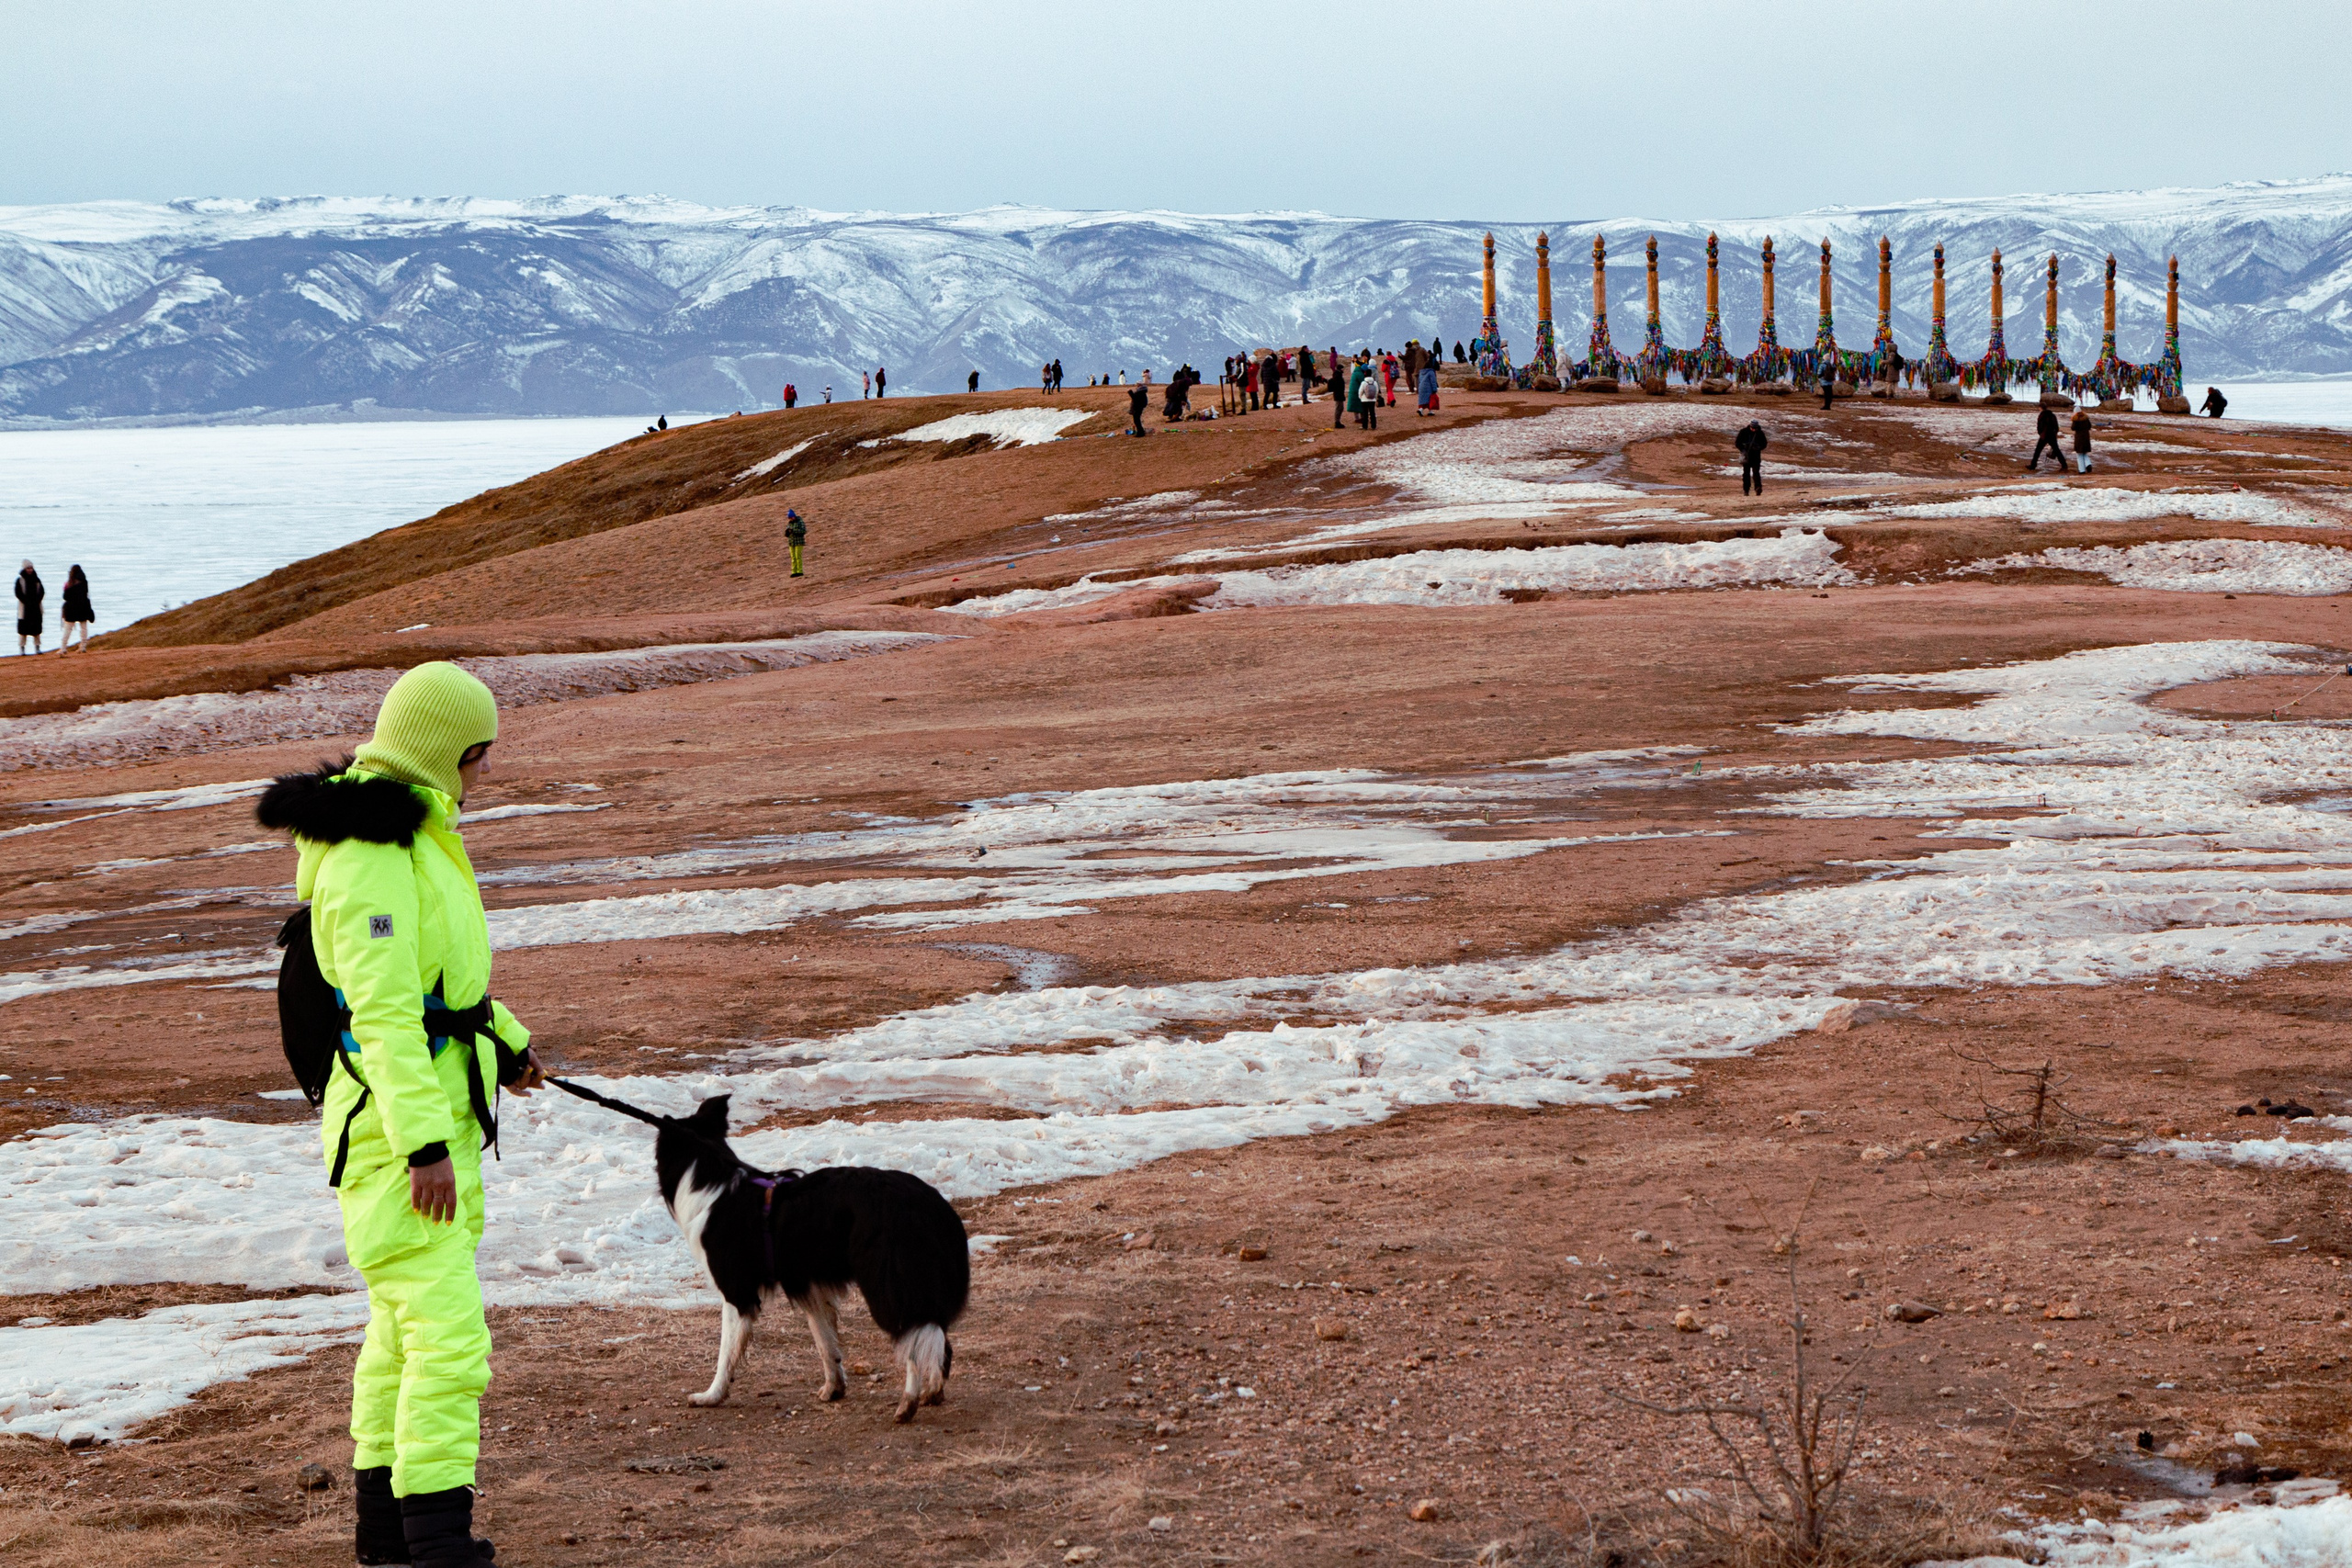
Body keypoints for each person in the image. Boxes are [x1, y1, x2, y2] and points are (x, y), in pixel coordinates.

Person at [254, 662, 546, 1568]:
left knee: (398, 1340)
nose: (482, 773)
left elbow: (442, 993)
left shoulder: (414, 836)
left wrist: (508, 1043)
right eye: (476, 756)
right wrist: (423, 1145)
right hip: (395, 1141)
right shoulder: (374, 858)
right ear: (437, 748)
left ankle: (388, 1540)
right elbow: (381, 1016)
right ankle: (439, 1548)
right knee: (451, 1344)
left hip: (422, 1126)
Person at [59, 565, 93, 653]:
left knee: (68, 628)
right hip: (83, 607)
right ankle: (83, 646)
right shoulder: (84, 582)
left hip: (71, 608)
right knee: (84, 628)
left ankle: (63, 648)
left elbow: (65, 596)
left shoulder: (70, 583)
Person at [13, 561, 41, 655]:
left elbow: (41, 592)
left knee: (36, 630)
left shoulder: (37, 579)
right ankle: (22, 648)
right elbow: (18, 593)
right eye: (28, 568)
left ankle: (37, 647)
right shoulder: (20, 580)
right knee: (23, 630)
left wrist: (37, 601)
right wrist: (26, 601)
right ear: (24, 569)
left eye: (31, 568)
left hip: (36, 608)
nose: (30, 570)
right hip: (24, 608)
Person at [1735, 421, 1768, 494]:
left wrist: (1758, 447)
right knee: (1746, 473)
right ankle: (1746, 490)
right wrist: (1743, 449)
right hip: (1746, 456)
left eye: (1755, 428)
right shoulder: (1743, 432)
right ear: (1750, 426)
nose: (1754, 430)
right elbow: (1737, 443)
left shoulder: (1760, 433)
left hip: (1756, 456)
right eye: (1752, 428)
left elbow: (1764, 444)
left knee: (1756, 473)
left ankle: (1758, 488)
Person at [2027, 404, 2063, 470]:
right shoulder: (2052, 415)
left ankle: (2033, 465)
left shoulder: (2042, 415)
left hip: (2044, 435)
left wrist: (2040, 433)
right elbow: (2056, 426)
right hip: (2052, 435)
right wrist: (2055, 433)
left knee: (2038, 451)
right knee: (2056, 450)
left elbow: (2039, 426)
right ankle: (2064, 465)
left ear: (2041, 408)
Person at [786, 508, 808, 577]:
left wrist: (793, 531)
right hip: (791, 542)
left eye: (790, 517)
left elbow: (803, 531)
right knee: (793, 557)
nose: (790, 519)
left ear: (793, 516)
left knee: (798, 557)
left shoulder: (800, 522)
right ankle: (794, 571)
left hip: (799, 542)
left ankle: (799, 571)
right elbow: (788, 533)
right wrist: (787, 533)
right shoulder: (789, 523)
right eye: (789, 518)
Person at [2072, 408, 2095, 474]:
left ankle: (2082, 470)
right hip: (2086, 437)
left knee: (2079, 454)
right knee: (2084, 453)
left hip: (2079, 438)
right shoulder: (2086, 418)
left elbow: (2073, 428)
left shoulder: (2075, 419)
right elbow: (2089, 426)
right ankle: (2088, 464)